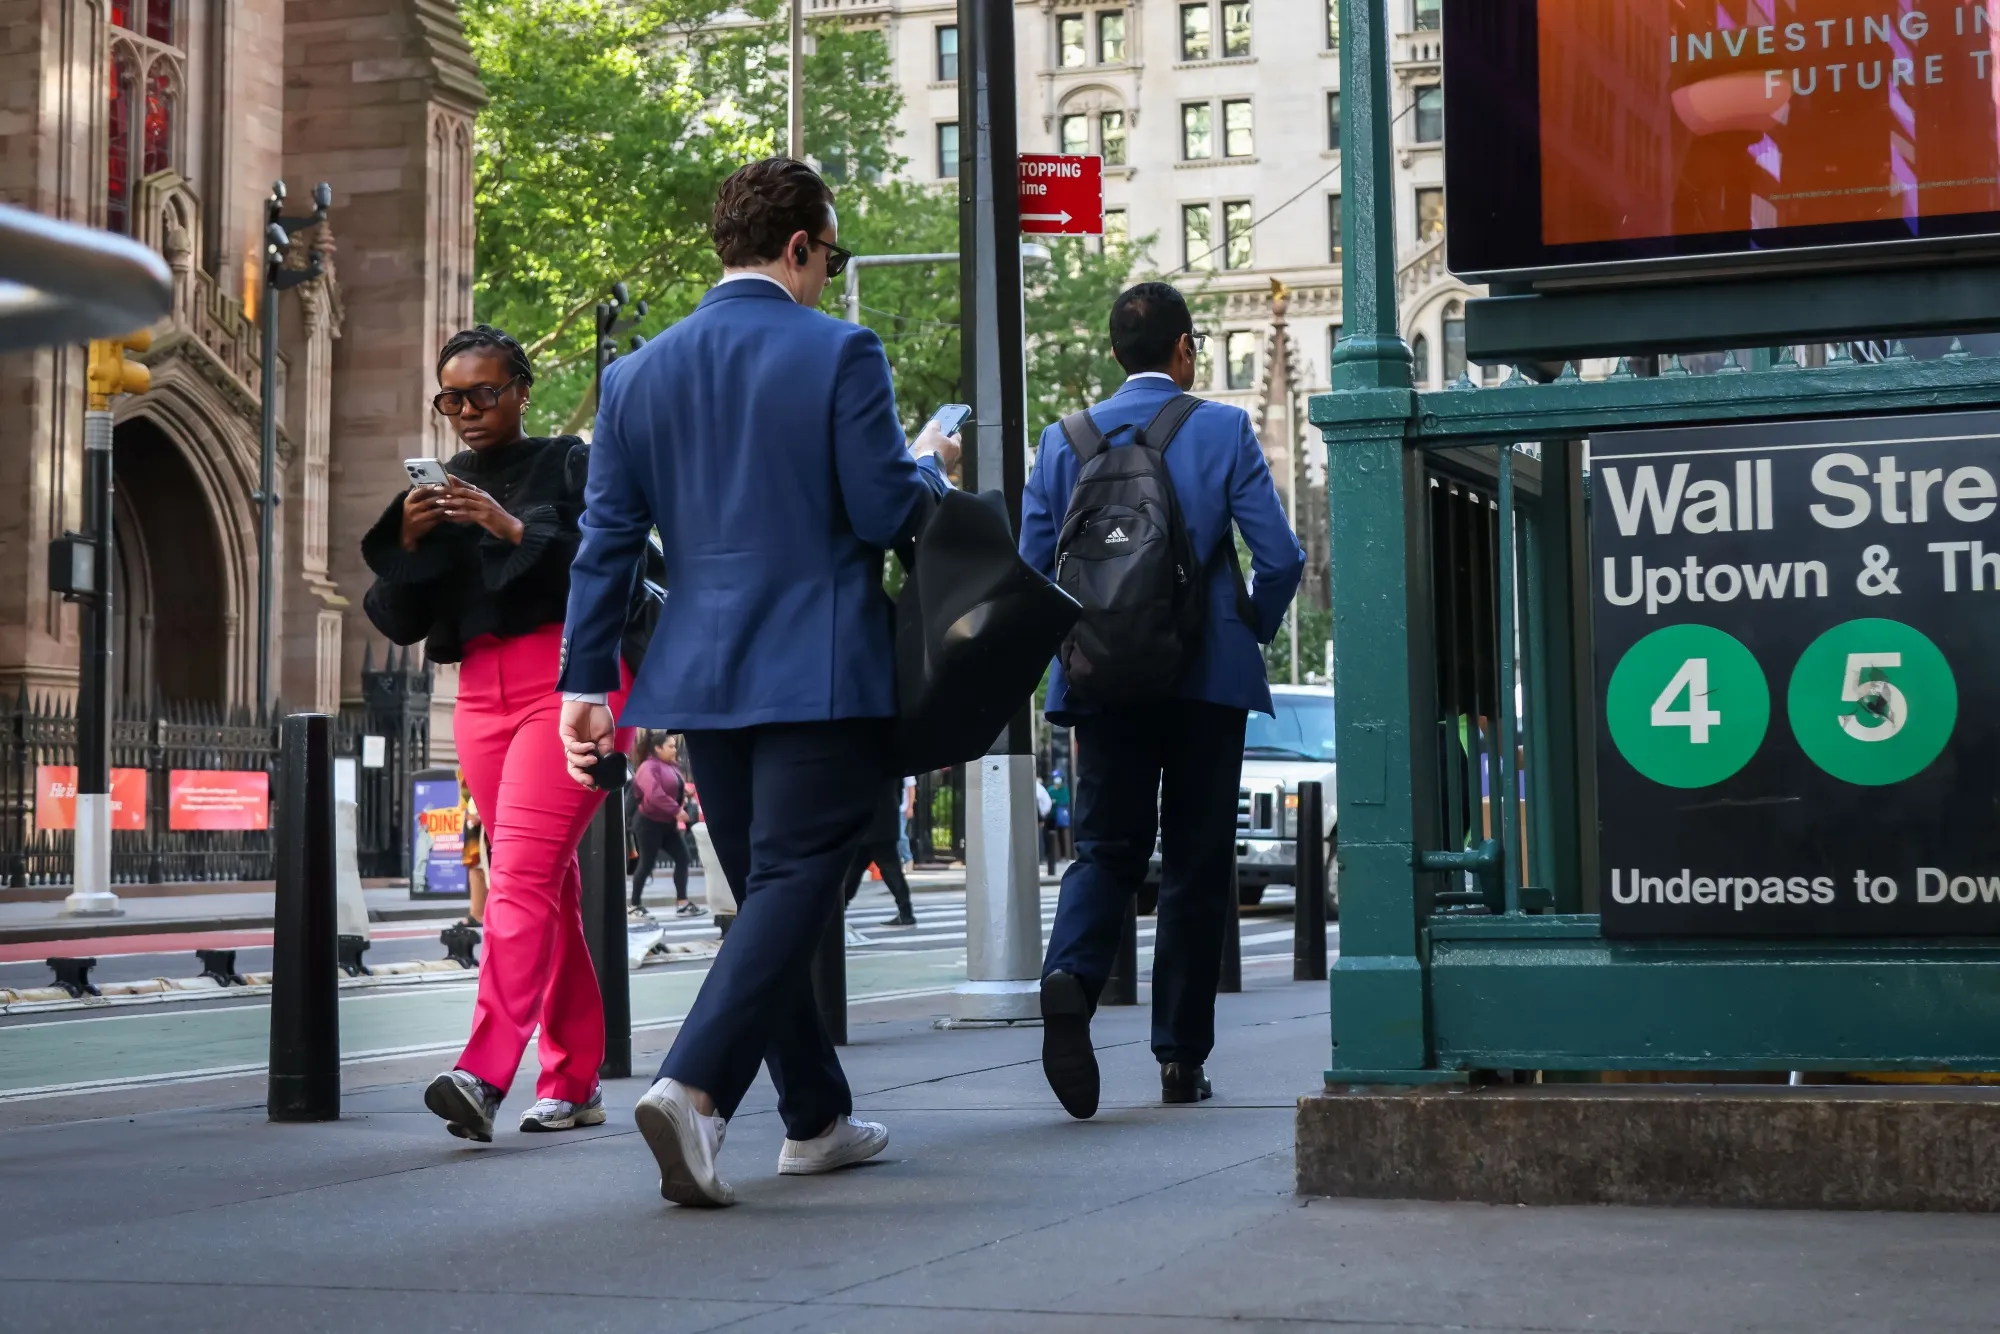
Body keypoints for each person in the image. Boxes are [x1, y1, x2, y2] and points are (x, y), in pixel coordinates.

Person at [555, 157, 959, 1207]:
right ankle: (692, 1089)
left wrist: (584, 683)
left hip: (697, 673)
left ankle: (815, 1117)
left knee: (767, 898)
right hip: (818, 660)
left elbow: (604, 542)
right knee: (794, 884)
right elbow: (879, 511)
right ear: (796, 246)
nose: (830, 273)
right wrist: (926, 469)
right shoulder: (839, 351)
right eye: (831, 254)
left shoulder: (636, 376)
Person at [1019, 282, 1303, 1119]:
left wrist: (1067, 661)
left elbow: (1035, 575)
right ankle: (1181, 1058)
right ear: (1185, 351)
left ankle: (1070, 975)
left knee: (1106, 848)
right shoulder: (1220, 428)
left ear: (1115, 355)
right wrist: (1247, 623)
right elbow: (1280, 557)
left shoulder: (1062, 440)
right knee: (1196, 860)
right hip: (1205, 677)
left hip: (1104, 677)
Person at [361, 324, 633, 1143]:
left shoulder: (569, 462)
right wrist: (411, 542)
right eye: (453, 397)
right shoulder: (441, 487)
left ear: (522, 387)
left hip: (569, 681)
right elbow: (402, 618)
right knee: (544, 887)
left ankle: (483, 1071)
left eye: (487, 391)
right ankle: (575, 1079)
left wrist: (511, 527)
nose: (470, 410)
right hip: (477, 694)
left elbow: (611, 563)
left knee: (516, 877)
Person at [632, 732, 701, 918]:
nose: (674, 749)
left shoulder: (671, 766)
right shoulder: (649, 767)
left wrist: (682, 802)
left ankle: (682, 903)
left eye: (674, 746)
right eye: (670, 746)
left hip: (667, 824)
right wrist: (676, 810)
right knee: (646, 863)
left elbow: (674, 789)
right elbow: (654, 794)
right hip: (649, 824)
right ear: (658, 748)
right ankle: (634, 905)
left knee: (683, 858)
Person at [839, 783, 917, 927]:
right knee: (855, 871)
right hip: (883, 822)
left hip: (871, 824)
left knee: (886, 870)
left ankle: (906, 913)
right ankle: (837, 910)